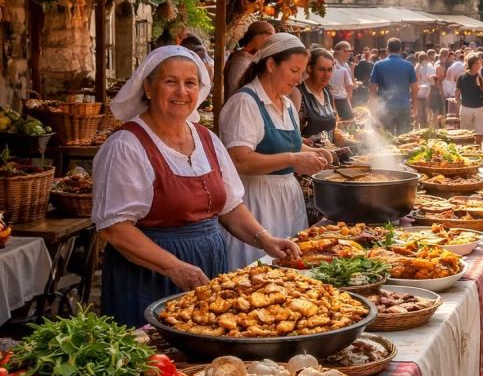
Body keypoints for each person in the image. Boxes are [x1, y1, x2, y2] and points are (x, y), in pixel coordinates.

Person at [91, 46, 299, 326]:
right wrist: (174, 267)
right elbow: (115, 229)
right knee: (153, 348)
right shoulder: (126, 145)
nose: (182, 91)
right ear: (148, 88)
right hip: (149, 275)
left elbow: (230, 206)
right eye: (170, 81)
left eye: (190, 83)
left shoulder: (206, 138)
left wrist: (265, 239)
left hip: (207, 267)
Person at [220, 34, 332, 268]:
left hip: (288, 198)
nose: (299, 79)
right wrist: (292, 159)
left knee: (291, 265)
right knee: (257, 269)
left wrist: (314, 153)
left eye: (302, 72)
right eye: (294, 70)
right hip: (257, 201)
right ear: (271, 64)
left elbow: (290, 144)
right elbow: (239, 160)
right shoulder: (245, 103)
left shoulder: (287, 104)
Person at [370, 38, 418, 135]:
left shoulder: (378, 65)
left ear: (387, 49)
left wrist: (373, 105)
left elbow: (372, 88)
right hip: (403, 106)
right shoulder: (409, 65)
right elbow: (415, 88)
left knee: (387, 137)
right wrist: (415, 105)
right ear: (400, 50)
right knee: (404, 138)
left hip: (385, 107)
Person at [289, 47, 339, 140]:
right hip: (306, 149)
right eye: (321, 69)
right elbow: (290, 133)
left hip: (328, 148)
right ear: (309, 69)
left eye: (329, 70)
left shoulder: (327, 93)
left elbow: (333, 129)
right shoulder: (297, 93)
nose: (326, 75)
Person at [225, 21, 274, 99]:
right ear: (258, 36)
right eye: (269, 37)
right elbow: (236, 91)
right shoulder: (241, 60)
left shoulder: (250, 58)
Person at [455, 55, 483, 145]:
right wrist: (458, 106)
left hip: (479, 108)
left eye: (479, 63)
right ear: (471, 64)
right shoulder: (462, 77)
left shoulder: (480, 78)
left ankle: (478, 148)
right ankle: (466, 149)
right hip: (466, 108)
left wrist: (480, 84)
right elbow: (457, 92)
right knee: (465, 133)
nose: (479, 65)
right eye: (477, 63)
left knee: (479, 132)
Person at [329, 41, 355, 122]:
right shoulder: (330, 64)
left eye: (350, 51)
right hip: (330, 100)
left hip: (342, 100)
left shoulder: (346, 65)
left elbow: (350, 86)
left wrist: (352, 69)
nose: (348, 53)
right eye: (345, 51)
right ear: (337, 51)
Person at [414, 52, 434, 128]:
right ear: (426, 58)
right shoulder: (429, 65)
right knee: (427, 109)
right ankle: (426, 126)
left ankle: (419, 126)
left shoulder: (416, 66)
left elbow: (416, 78)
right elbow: (431, 78)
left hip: (419, 90)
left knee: (420, 110)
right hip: (427, 90)